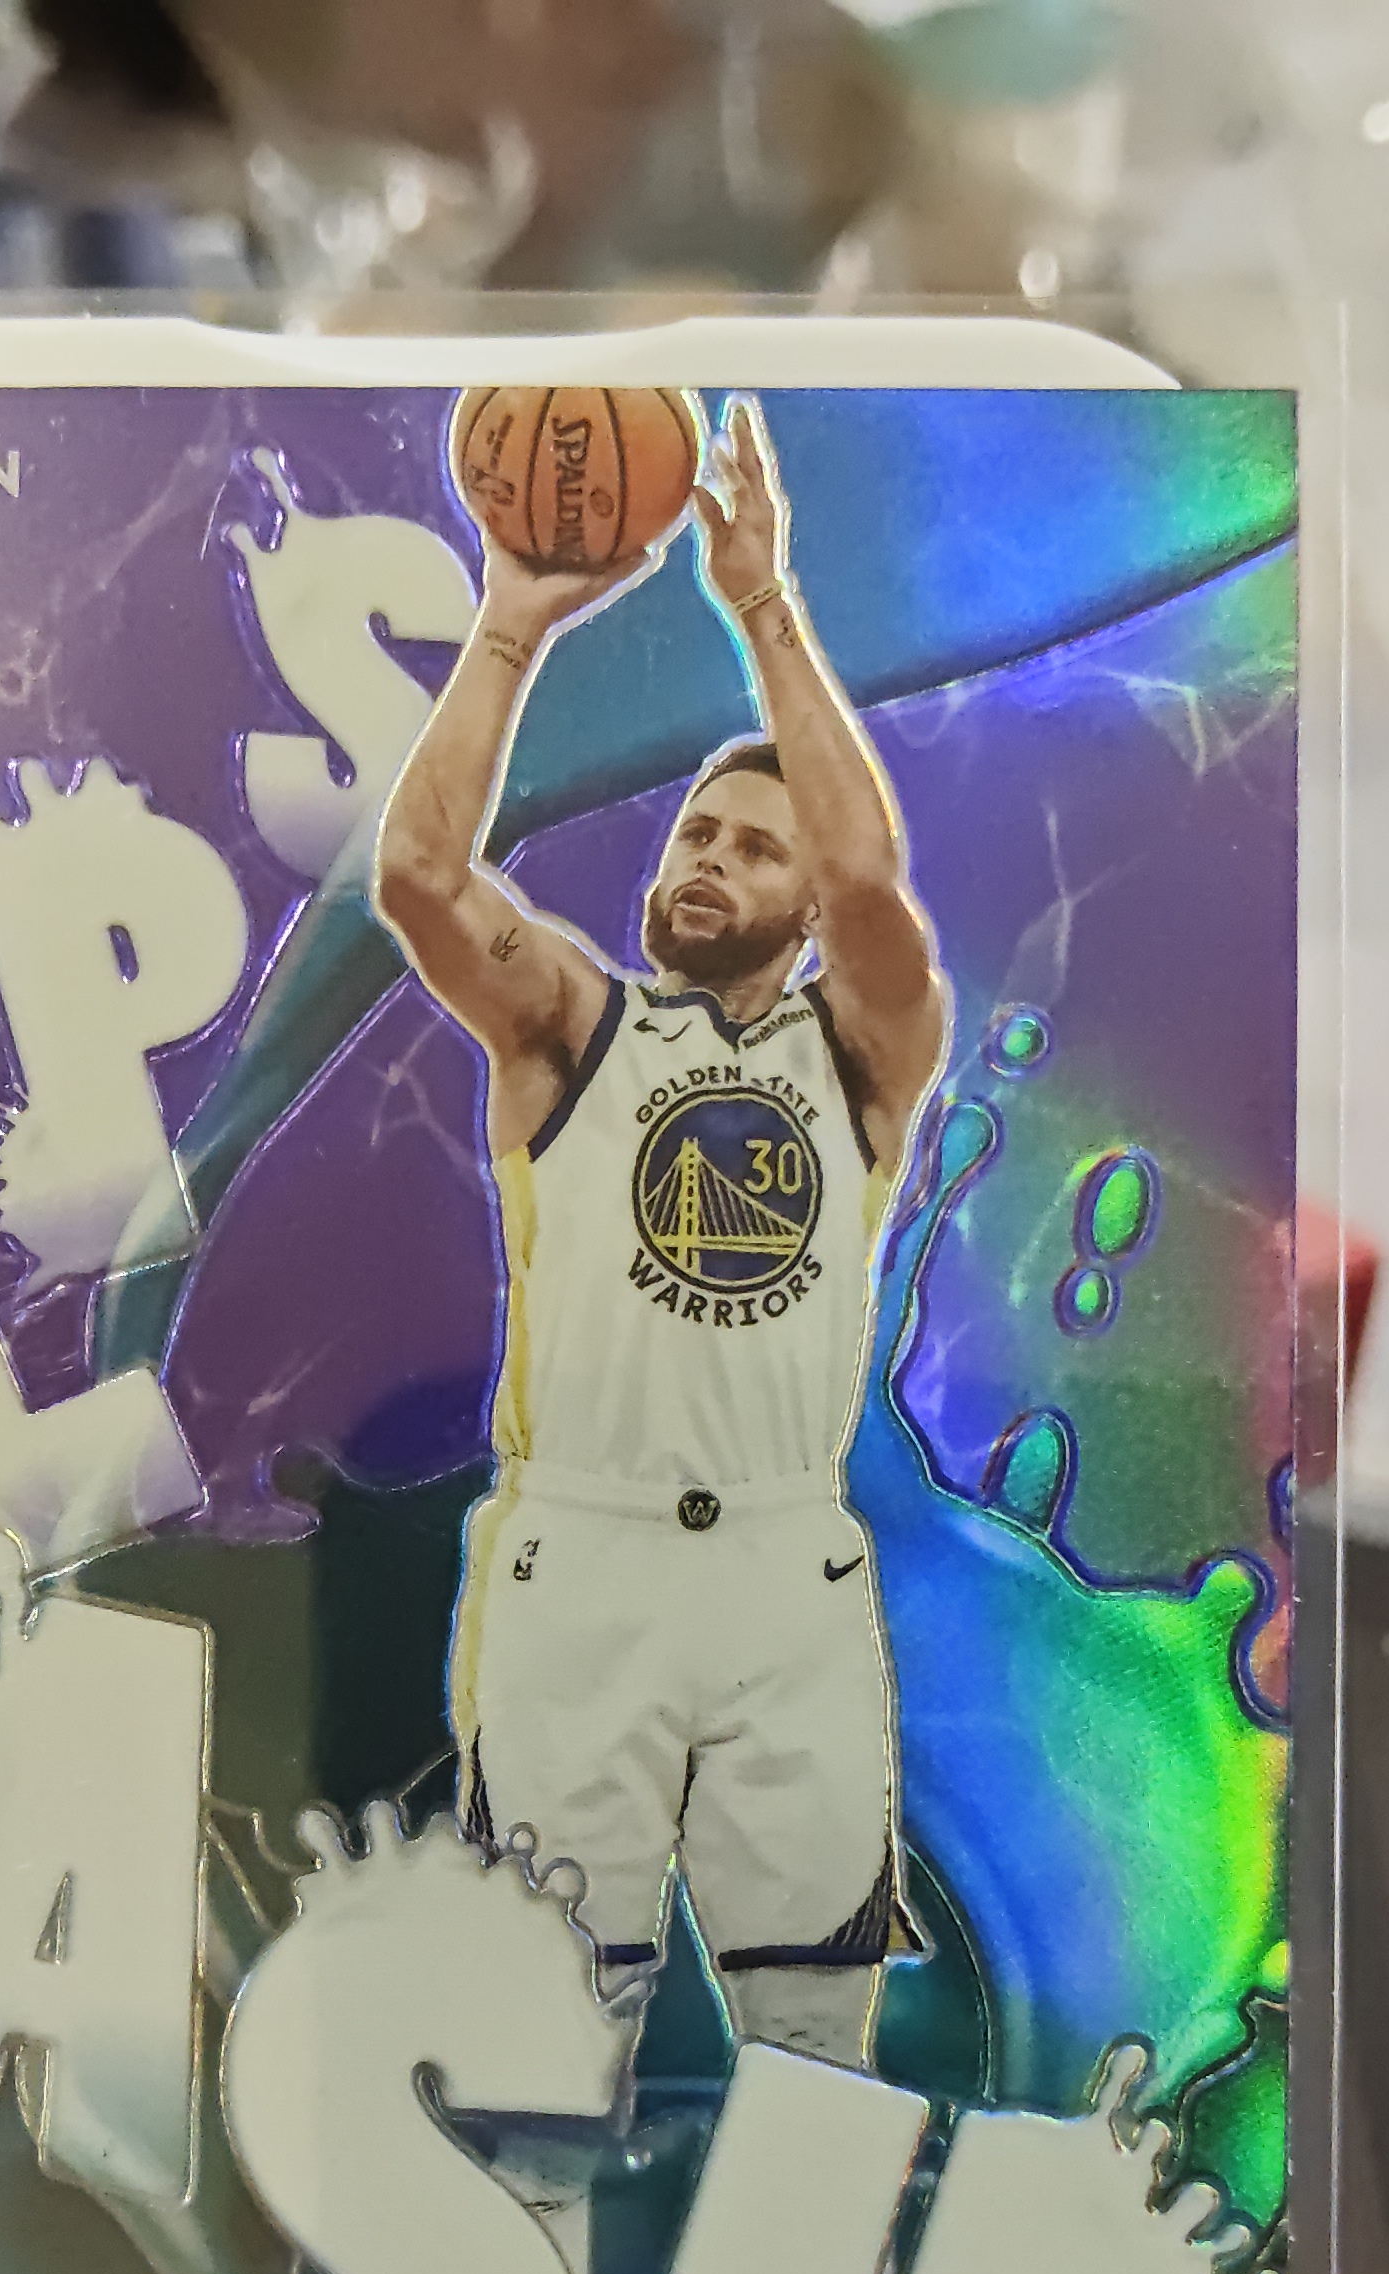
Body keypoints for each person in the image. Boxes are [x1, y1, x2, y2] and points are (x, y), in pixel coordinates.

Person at [371, 394, 952, 2077]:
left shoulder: (866, 1051)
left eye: (756, 848)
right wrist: (508, 627)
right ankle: (534, 2259)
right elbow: (419, 878)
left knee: (817, 2063)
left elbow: (871, 883)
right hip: (583, 1555)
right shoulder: (575, 1027)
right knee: (545, 2044)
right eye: (699, 831)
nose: (712, 858)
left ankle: (796, 2265)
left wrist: (760, 600)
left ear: (802, 906)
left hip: (788, 1567)